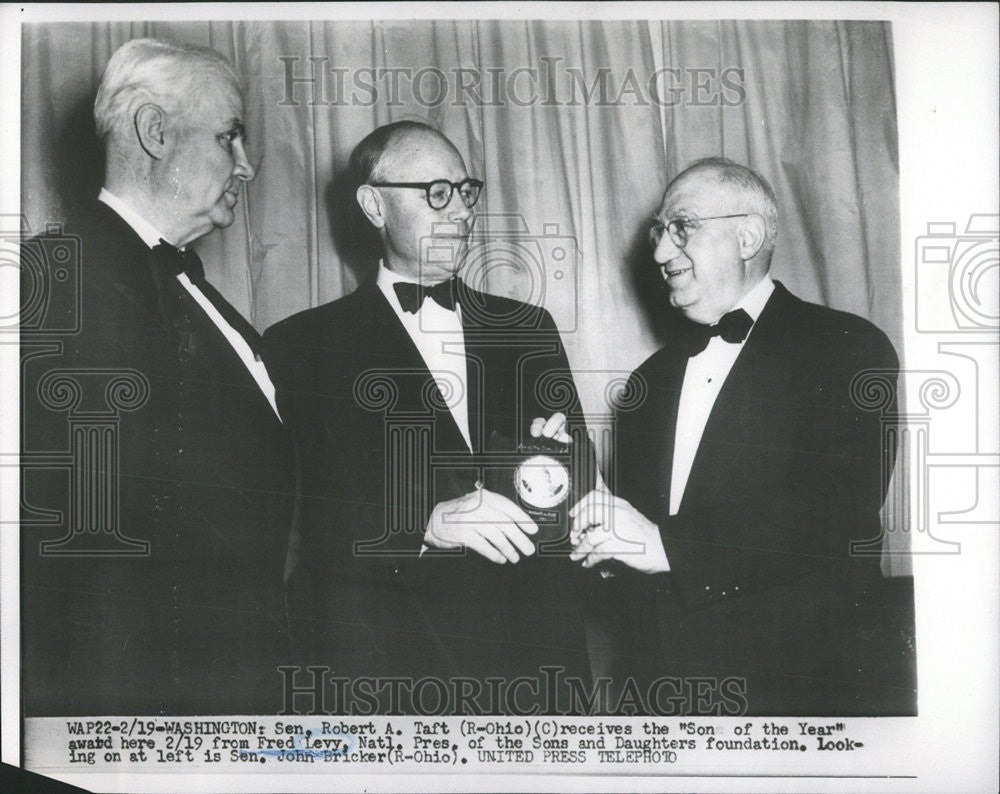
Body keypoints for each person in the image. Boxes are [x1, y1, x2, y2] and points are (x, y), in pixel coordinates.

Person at [553, 157, 912, 715]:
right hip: (661, 693)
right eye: (657, 232)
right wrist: (583, 516)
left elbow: (835, 512)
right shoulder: (649, 382)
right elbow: (641, 540)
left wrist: (665, 546)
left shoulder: (847, 347)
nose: (659, 253)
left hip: (800, 689)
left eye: (682, 227)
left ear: (747, 235)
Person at [263, 121, 592, 713]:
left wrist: (557, 470)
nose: (462, 210)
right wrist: (426, 524)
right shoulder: (300, 345)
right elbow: (306, 518)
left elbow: (577, 484)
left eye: (467, 191)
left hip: (533, 660)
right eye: (436, 192)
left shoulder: (528, 329)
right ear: (373, 205)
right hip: (389, 665)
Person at [20, 38, 293, 715]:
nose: (247, 166)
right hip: (147, 701)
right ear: (156, 131)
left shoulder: (186, 288)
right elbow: (81, 554)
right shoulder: (63, 276)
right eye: (230, 137)